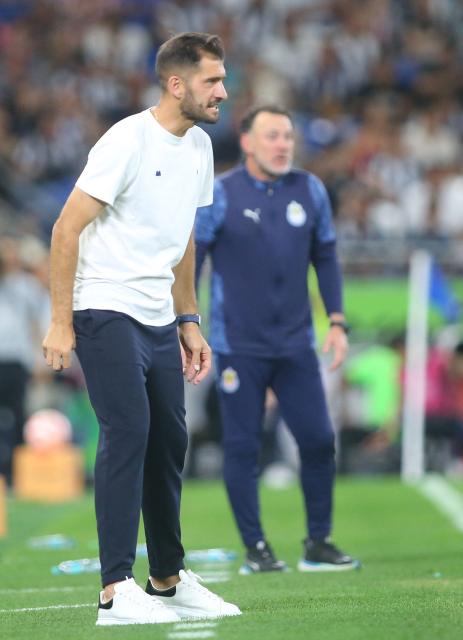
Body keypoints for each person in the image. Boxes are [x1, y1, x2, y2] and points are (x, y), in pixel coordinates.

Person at [42, 32, 241, 626]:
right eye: (212, 81)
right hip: (103, 306)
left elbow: (182, 238)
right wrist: (59, 322)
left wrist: (189, 319)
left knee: (169, 441)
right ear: (177, 84)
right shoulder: (126, 140)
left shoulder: (200, 147)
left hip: (159, 313)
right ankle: (113, 590)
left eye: (223, 80)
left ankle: (167, 579)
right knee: (128, 431)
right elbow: (64, 230)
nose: (223, 92)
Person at [195, 105, 359, 573]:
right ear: (247, 142)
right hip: (236, 345)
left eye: (287, 135)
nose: (282, 144)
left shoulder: (310, 189)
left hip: (295, 344)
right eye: (271, 136)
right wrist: (188, 322)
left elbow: (325, 255)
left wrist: (338, 320)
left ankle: (319, 543)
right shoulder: (221, 193)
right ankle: (256, 549)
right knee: (243, 447)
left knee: (318, 439)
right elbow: (194, 259)